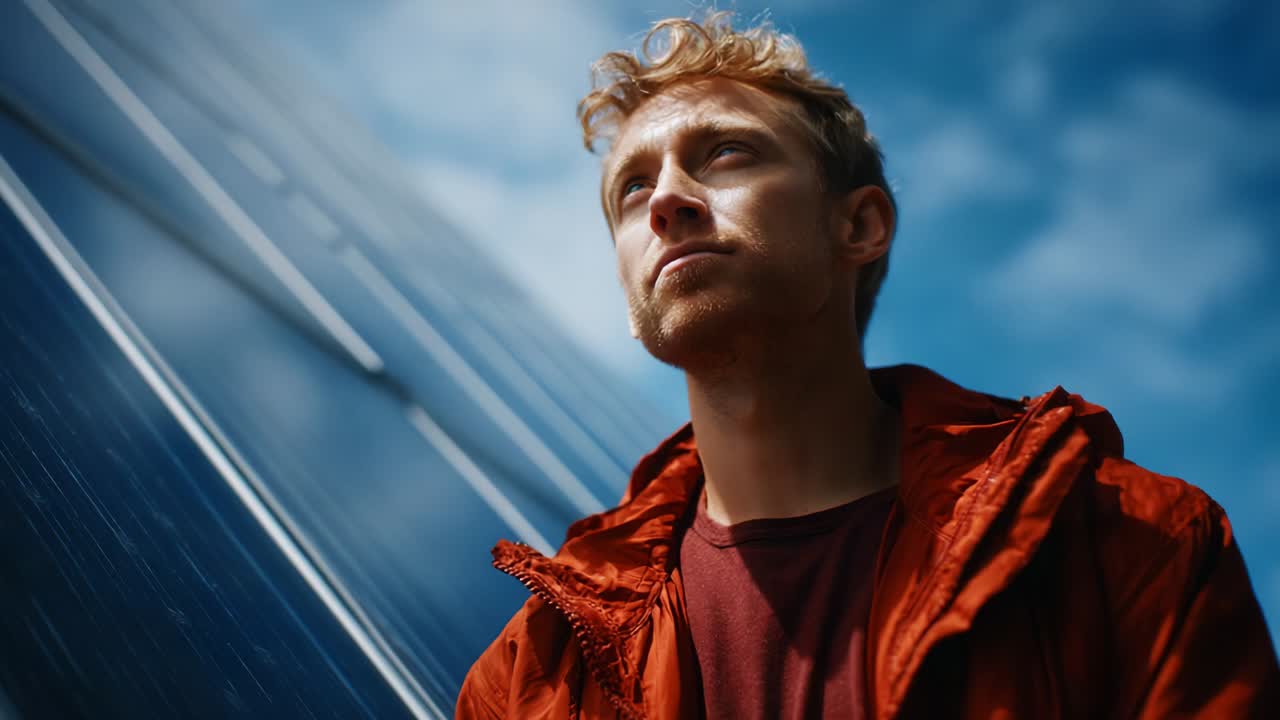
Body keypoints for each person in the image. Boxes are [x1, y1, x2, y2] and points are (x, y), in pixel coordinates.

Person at [456, 12, 1279, 719]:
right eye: (632, 191)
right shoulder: (534, 675)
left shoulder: (1126, 546)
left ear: (860, 226)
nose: (668, 200)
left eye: (727, 155)